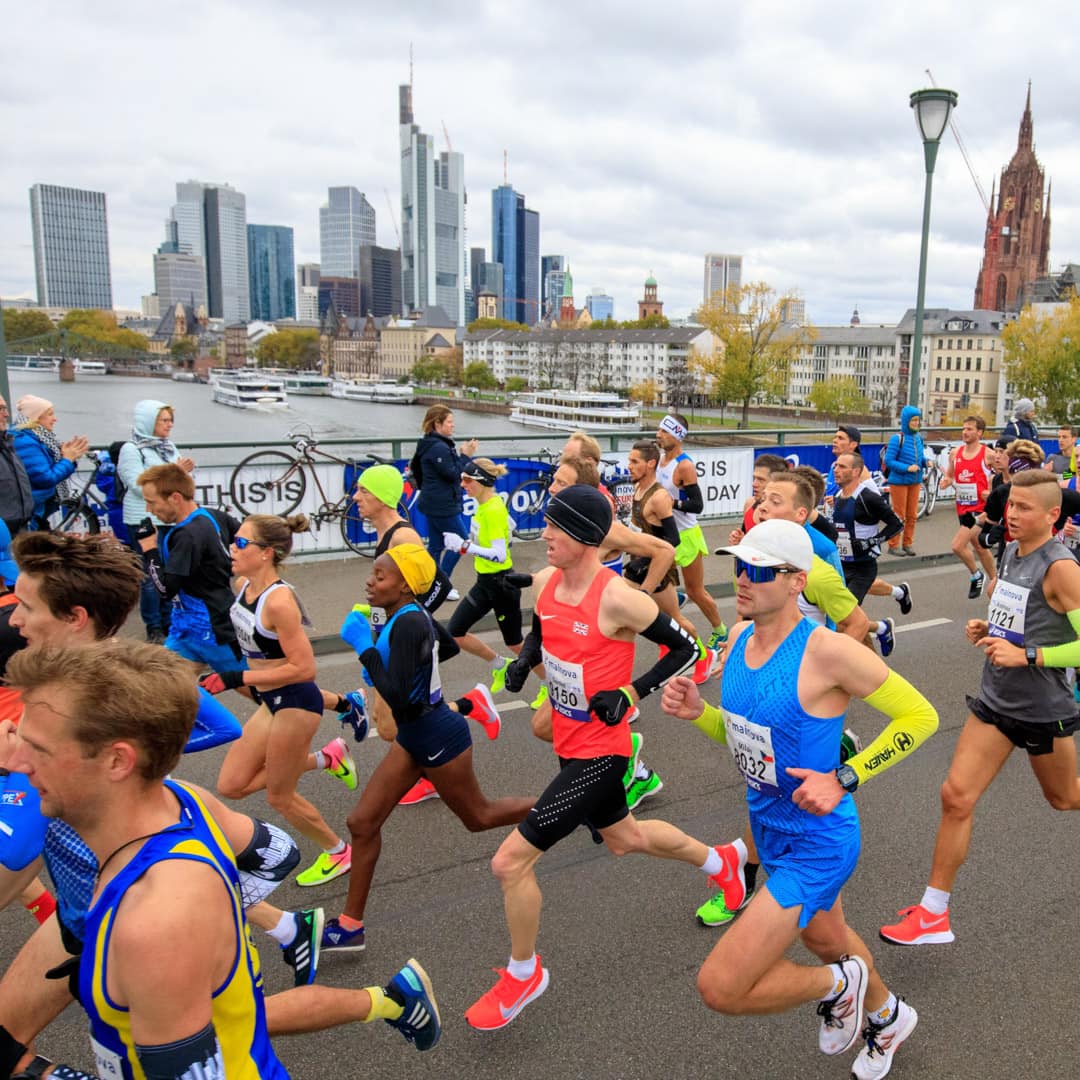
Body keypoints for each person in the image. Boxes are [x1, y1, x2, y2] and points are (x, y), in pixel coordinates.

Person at [4, 640, 443, 1077]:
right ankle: (390, 1001)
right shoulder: (182, 799)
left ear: (118, 760)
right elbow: (275, 850)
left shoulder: (153, 923)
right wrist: (223, 923)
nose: (16, 763)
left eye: (38, 749)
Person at [662, 518, 938, 1079]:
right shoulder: (738, 638)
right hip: (768, 830)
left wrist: (845, 776)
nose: (742, 578)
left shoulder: (828, 652)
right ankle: (887, 1017)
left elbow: (921, 717)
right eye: (739, 564)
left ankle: (844, 985)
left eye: (760, 569)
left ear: (797, 581)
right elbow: (747, 736)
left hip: (819, 840)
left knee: (720, 986)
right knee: (827, 935)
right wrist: (702, 715)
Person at [465, 486, 723, 1032]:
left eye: (555, 528)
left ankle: (523, 973)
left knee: (508, 862)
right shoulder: (550, 582)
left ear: (583, 536)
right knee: (627, 838)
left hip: (603, 752)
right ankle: (723, 863)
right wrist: (523, 664)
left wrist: (631, 694)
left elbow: (686, 648)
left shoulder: (619, 597)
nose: (545, 536)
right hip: (567, 741)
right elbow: (544, 633)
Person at [881, 470, 1080, 948]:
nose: (1011, 514)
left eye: (1025, 508)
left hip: (1040, 708)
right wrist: (991, 633)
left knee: (1065, 798)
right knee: (955, 796)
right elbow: (1024, 621)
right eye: (1011, 505)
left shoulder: (1061, 568)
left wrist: (1030, 655)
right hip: (995, 700)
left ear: (1053, 515)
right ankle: (933, 914)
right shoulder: (1012, 552)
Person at [328, 543, 535, 953]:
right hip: (415, 736)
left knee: (479, 817)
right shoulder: (409, 613)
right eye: (373, 573)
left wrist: (365, 649)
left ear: (405, 586)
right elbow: (451, 647)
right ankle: (351, 926)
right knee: (362, 823)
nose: (370, 581)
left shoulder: (408, 623)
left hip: (438, 737)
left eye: (381, 576)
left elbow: (402, 702)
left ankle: (569, 805)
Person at [208, 514, 360, 888]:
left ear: (266, 553)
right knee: (231, 785)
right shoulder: (242, 583)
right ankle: (328, 758)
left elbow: (304, 668)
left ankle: (338, 851)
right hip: (270, 700)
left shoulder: (279, 602)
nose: (233, 547)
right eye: (234, 540)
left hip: (295, 703)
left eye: (242, 543)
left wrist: (237, 677)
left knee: (279, 795)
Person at [348, 464, 498, 809]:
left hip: (407, 640)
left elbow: (436, 588)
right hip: (393, 636)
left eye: (364, 491)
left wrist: (398, 626)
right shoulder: (385, 534)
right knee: (400, 717)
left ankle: (467, 711)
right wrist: (373, 616)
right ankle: (465, 715)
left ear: (384, 498)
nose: (356, 497)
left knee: (389, 724)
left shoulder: (403, 538)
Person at [138, 462, 244, 674]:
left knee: (267, 694)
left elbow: (165, 590)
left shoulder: (187, 535)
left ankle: (327, 702)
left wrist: (149, 549)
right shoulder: (214, 516)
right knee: (167, 694)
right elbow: (248, 540)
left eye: (151, 502)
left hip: (211, 631)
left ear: (175, 498)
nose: (148, 510)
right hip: (183, 632)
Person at [443, 459, 529, 693]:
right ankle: (499, 665)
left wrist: (464, 546)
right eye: (462, 479)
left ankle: (550, 683)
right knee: (455, 632)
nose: (463, 484)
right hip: (484, 583)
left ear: (481, 481)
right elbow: (507, 533)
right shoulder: (484, 506)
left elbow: (500, 555)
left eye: (467, 480)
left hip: (502, 585)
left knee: (515, 643)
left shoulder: (492, 510)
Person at [116, 400, 195, 643]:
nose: (169, 425)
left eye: (171, 420)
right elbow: (138, 485)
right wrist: (174, 471)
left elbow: (176, 483)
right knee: (150, 576)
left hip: (170, 518)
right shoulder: (131, 449)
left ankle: (170, 620)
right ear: (148, 422)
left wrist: (180, 475)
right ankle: (154, 625)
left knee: (171, 571)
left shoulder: (168, 447)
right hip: (143, 517)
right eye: (164, 420)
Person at [655, 412, 728, 649]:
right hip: (665, 533)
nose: (659, 435)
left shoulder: (684, 465)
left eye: (664, 431)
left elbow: (697, 505)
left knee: (697, 591)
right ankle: (675, 601)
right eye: (659, 430)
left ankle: (721, 631)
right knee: (655, 583)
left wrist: (671, 504)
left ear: (678, 435)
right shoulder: (658, 460)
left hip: (686, 536)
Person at [411, 404, 478, 595]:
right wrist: (466, 455)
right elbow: (454, 474)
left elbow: (443, 470)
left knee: (436, 546)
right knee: (462, 543)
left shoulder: (429, 444)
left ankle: (431, 584)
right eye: (449, 422)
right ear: (437, 423)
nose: (452, 426)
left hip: (432, 501)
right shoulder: (439, 448)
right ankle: (442, 584)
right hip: (442, 504)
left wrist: (461, 455)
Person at [831, 451, 903, 610]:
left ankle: (881, 628)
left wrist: (871, 542)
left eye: (842, 467)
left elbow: (897, 524)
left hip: (862, 568)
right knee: (845, 618)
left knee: (845, 614)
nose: (836, 470)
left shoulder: (868, 497)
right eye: (836, 465)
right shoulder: (837, 496)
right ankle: (881, 629)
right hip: (841, 565)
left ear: (856, 472)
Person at [939, 416, 997, 599]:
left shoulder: (988, 454)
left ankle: (976, 575)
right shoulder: (955, 454)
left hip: (981, 510)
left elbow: (1002, 477)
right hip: (963, 507)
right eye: (964, 428)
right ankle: (997, 582)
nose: (965, 432)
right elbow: (950, 475)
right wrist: (946, 482)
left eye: (970, 429)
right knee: (980, 547)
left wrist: (992, 491)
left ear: (980, 432)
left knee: (957, 546)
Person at [10, 397, 87, 529]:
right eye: (50, 414)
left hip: (36, 508)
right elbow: (45, 478)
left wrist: (65, 456)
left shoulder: (38, 438)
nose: (55, 419)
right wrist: (68, 460)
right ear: (36, 417)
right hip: (31, 511)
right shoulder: (26, 442)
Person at [882, 406, 924, 556]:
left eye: (917, 420)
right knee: (899, 514)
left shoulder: (918, 438)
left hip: (915, 480)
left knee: (912, 514)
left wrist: (926, 462)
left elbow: (920, 457)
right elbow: (889, 461)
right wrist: (907, 468)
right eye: (913, 420)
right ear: (906, 421)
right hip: (899, 481)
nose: (916, 423)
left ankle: (907, 543)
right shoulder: (897, 438)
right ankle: (893, 545)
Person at [0, 395, 33, 538]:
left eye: (5, 408)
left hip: (20, 530)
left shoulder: (8, 444)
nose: (6, 414)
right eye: (0, 409)